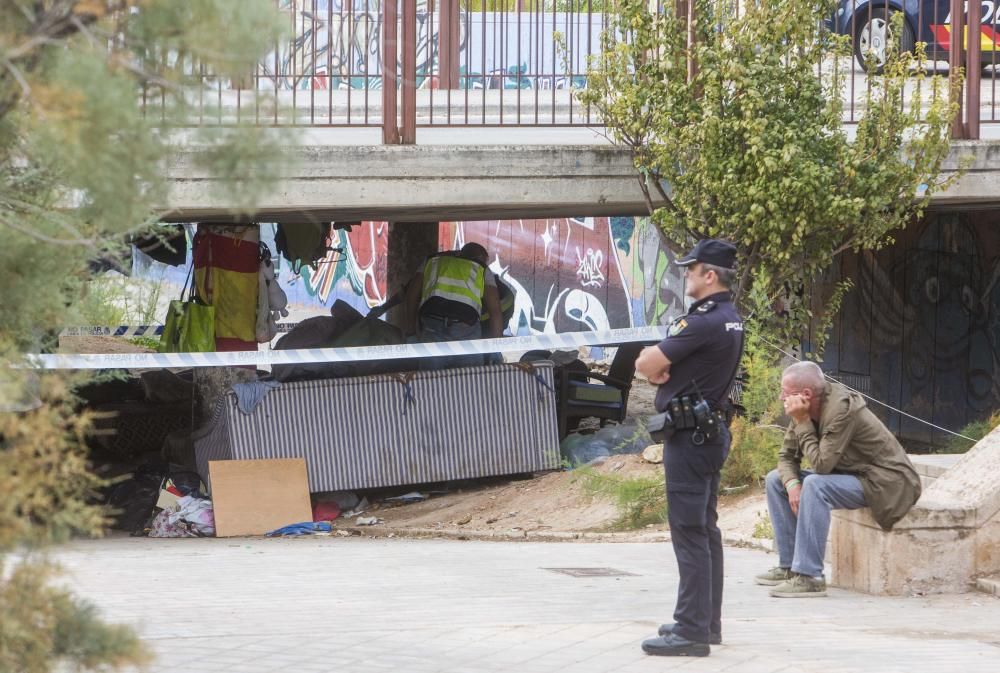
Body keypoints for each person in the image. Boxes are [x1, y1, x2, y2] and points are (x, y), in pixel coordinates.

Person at [634, 238, 744, 657]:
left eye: (691, 269)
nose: (685, 275)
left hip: (692, 438)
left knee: (689, 532)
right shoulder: (729, 318)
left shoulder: (701, 322)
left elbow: (646, 365)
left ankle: (691, 631)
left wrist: (658, 368)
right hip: (709, 433)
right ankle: (706, 622)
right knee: (706, 529)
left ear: (709, 275)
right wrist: (665, 367)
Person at [756, 361, 922, 597]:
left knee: (814, 485)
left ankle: (810, 576)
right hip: (852, 474)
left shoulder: (840, 410)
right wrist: (792, 484)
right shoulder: (803, 407)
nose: (782, 397)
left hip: (887, 482)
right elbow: (785, 457)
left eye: (786, 392)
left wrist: (802, 422)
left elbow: (822, 466)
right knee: (776, 480)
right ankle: (789, 567)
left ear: (806, 394)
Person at [404, 242, 503, 369]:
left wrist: (411, 333)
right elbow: (495, 311)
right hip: (466, 332)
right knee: (469, 383)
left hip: (433, 329)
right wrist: (496, 349)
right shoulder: (482, 269)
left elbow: (411, 296)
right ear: (479, 259)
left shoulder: (432, 261)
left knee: (429, 383)